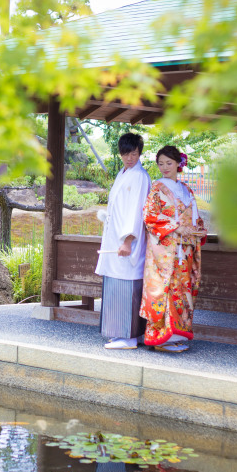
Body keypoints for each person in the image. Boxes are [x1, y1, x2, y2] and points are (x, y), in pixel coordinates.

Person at [139, 145, 207, 353]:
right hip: (165, 251)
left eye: (169, 163)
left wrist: (199, 230)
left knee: (183, 290)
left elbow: (195, 218)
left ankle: (176, 335)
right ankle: (161, 338)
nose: (164, 167)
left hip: (185, 250)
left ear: (179, 163)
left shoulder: (187, 190)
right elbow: (150, 216)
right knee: (165, 290)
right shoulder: (157, 188)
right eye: (161, 164)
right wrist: (177, 227)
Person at [95, 133, 151, 350]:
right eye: (126, 154)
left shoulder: (139, 176)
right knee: (117, 284)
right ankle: (124, 334)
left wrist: (128, 241)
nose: (130, 158)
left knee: (127, 285)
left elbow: (137, 211)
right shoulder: (124, 173)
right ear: (120, 154)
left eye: (134, 154)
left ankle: (128, 337)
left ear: (139, 153)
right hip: (115, 238)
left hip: (128, 241)